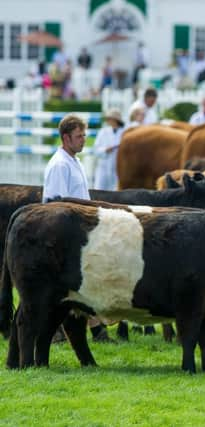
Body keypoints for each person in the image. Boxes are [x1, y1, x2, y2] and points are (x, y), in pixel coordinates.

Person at [43, 114, 112, 343]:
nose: (83, 140)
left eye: (84, 135)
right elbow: (57, 205)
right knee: (66, 287)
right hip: (65, 235)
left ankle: (94, 330)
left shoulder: (74, 161)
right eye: (79, 136)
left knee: (79, 286)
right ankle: (66, 331)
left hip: (80, 231)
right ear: (65, 138)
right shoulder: (59, 165)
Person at [93, 109, 125, 191]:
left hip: (118, 168)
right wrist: (105, 150)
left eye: (109, 118)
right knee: (99, 191)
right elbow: (96, 150)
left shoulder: (124, 133)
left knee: (116, 193)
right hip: (103, 167)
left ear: (115, 120)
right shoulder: (103, 132)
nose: (107, 121)